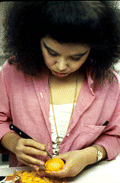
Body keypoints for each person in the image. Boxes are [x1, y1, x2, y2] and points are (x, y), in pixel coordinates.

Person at [0, 1, 120, 178]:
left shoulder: (108, 83)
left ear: (95, 49)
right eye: (52, 53)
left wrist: (89, 155)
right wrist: (13, 142)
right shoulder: (13, 72)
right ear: (35, 38)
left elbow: (115, 136)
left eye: (76, 57)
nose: (62, 66)